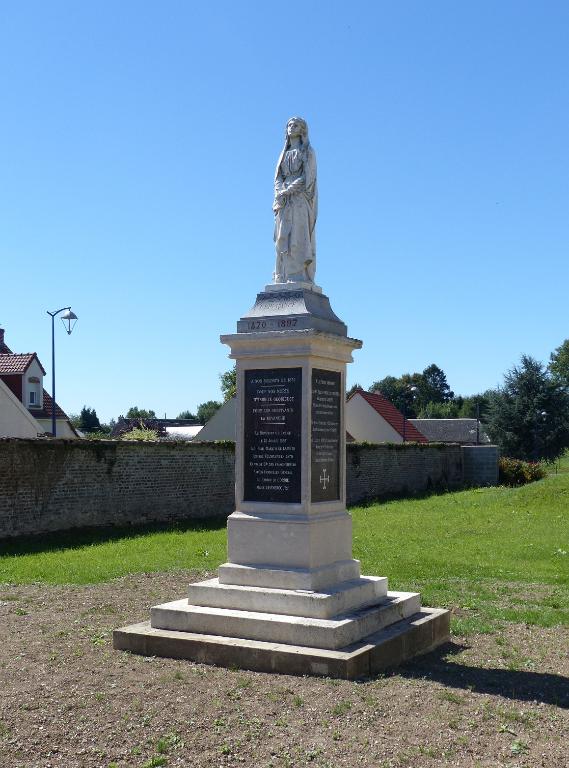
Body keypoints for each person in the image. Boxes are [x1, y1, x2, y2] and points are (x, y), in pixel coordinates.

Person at [273, 117, 318, 284]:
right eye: (289, 125)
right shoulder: (283, 154)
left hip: (299, 199)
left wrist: (288, 189)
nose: (292, 127)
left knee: (297, 237)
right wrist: (280, 190)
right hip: (284, 201)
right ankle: (281, 274)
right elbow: (278, 177)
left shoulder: (307, 152)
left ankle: (296, 274)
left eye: (296, 125)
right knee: (281, 236)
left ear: (302, 130)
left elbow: (308, 178)